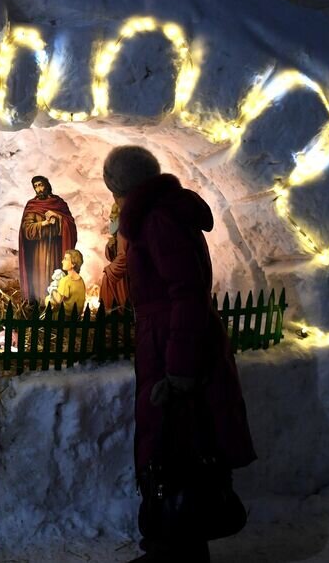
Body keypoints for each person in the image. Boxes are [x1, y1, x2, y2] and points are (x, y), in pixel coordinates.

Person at [102, 145, 255, 563]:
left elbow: (186, 294)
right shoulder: (159, 214)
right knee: (172, 447)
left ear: (118, 185)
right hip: (166, 342)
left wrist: (179, 370)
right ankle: (169, 549)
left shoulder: (157, 220)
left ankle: (176, 552)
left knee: (179, 450)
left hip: (174, 345)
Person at [18, 176, 77, 306]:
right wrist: (44, 223)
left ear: (46, 185)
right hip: (38, 251)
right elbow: (26, 229)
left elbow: (71, 225)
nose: (38, 189)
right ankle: (40, 306)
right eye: (36, 186)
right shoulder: (32, 206)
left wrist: (58, 217)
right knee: (39, 279)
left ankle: (55, 306)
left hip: (56, 249)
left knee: (54, 275)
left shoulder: (59, 203)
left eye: (40, 185)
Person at [98, 202, 130, 311]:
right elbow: (112, 257)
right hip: (123, 272)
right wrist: (111, 246)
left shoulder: (123, 233)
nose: (111, 216)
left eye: (114, 212)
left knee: (107, 278)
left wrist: (109, 270)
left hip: (125, 274)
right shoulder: (119, 234)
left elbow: (123, 257)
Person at [46, 249, 86, 315]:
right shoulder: (81, 280)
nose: (62, 261)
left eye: (65, 259)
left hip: (65, 316)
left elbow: (58, 300)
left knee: (47, 300)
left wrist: (52, 289)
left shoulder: (65, 280)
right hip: (77, 316)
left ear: (73, 264)